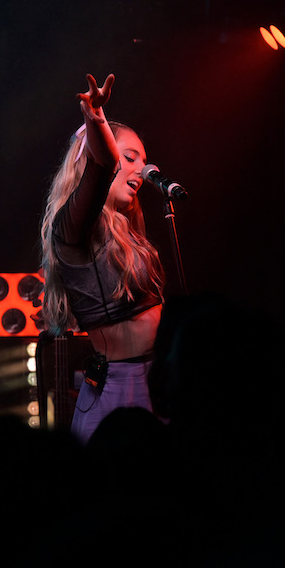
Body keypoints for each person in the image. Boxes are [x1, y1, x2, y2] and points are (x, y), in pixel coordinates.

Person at [39, 73, 165, 444]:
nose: (141, 170)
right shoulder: (72, 228)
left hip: (156, 377)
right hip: (120, 386)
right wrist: (94, 116)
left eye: (144, 161)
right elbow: (102, 164)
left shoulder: (128, 232)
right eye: (131, 158)